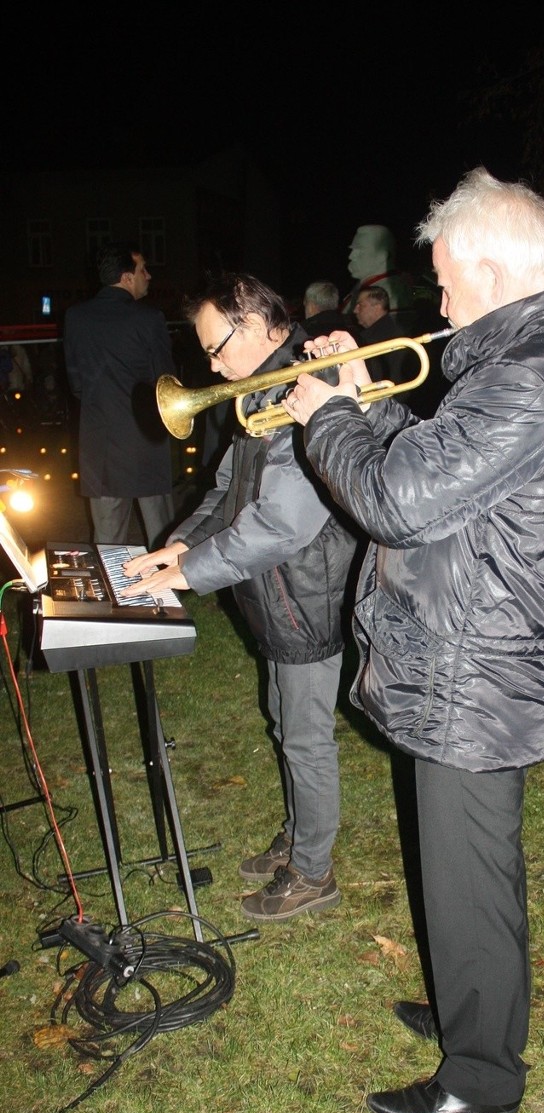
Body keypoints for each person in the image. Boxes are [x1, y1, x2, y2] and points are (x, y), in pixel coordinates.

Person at [285, 166, 544, 1113]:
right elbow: (444, 469)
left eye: (444, 280)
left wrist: (328, 415)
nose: (436, 301)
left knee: (469, 863)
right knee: (466, 860)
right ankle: (470, 1003)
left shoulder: (533, 375)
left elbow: (395, 500)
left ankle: (480, 1072)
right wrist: (367, 401)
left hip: (480, 665)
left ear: (492, 269)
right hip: (484, 652)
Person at [122, 273, 358, 922]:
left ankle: (314, 871)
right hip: (274, 590)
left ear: (256, 326)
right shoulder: (262, 388)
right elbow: (229, 484)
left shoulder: (309, 384)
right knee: (285, 724)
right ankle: (299, 835)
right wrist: (180, 543)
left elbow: (284, 522)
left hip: (306, 591)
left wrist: (190, 571)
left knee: (306, 737)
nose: (212, 363)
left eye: (217, 347)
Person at [63, 242, 177, 547]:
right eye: (142, 270)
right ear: (127, 278)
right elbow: (166, 383)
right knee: (161, 534)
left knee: (108, 538)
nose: (148, 276)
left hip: (99, 442)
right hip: (145, 439)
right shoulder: (149, 318)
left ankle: (108, 592)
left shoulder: (75, 316)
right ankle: (164, 590)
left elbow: (76, 383)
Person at [342, 225, 413, 319]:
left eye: (360, 251)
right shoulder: (365, 286)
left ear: (382, 257)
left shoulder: (391, 293)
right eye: (352, 250)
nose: (351, 256)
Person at [352, 284, 413, 391]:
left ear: (377, 307)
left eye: (360, 305)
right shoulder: (391, 332)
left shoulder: (382, 340)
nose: (355, 311)